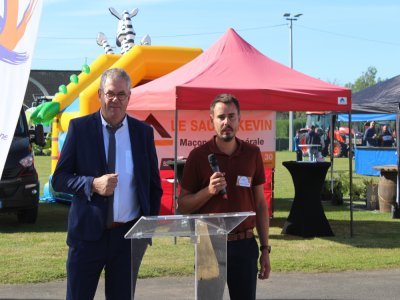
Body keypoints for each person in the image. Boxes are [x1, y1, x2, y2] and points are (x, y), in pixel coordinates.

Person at [52, 68, 162, 300]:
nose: (115, 100)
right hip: (87, 237)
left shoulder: (143, 133)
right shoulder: (80, 129)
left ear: (129, 97)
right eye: (110, 93)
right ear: (100, 94)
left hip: (127, 238)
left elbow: (153, 185)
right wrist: (92, 183)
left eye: (121, 94)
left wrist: (145, 232)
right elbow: (59, 179)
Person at [178, 93, 271, 300]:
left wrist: (265, 249)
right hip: (209, 245)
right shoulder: (198, 156)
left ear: (239, 119)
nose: (226, 122)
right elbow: (183, 206)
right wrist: (208, 191)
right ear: (211, 120)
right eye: (221, 117)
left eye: (231, 116)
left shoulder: (252, 153)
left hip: (245, 244)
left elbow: (260, 204)